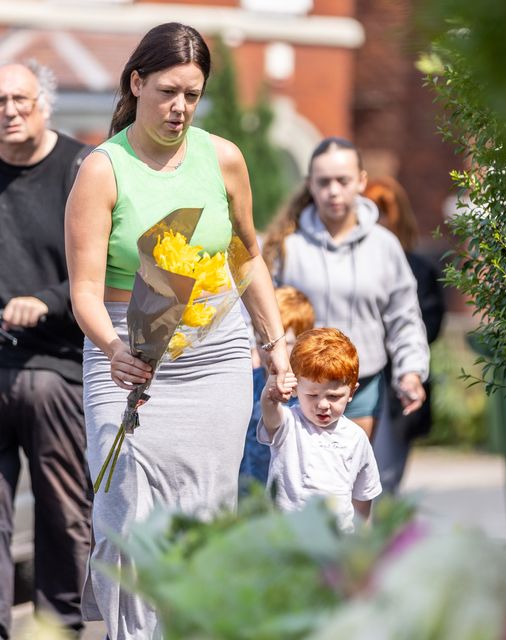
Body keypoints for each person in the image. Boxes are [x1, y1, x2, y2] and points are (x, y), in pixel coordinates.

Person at [64, 23, 293, 639]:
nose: (180, 108)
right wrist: (113, 349)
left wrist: (274, 346)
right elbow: (82, 289)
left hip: (213, 353)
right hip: (125, 347)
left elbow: (246, 255)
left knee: (204, 512)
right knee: (127, 516)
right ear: (136, 83)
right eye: (168, 91)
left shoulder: (223, 158)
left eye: (192, 95)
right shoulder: (101, 170)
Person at [0, 60, 92, 639]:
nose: (8, 110)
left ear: (45, 104)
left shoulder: (81, 169)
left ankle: (62, 627)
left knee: (64, 515)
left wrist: (48, 300)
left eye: (20, 99)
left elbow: (104, 266)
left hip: (57, 366)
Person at [261, 137, 429, 439]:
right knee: (302, 479)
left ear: (362, 181)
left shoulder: (384, 246)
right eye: (324, 182)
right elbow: (260, 310)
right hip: (301, 386)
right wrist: (266, 352)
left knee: (349, 478)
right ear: (310, 184)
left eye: (343, 180)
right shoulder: (287, 246)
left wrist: (411, 372)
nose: (333, 191)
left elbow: (404, 316)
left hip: (360, 384)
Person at [364, 177, 445, 493]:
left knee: (385, 479)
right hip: (350, 376)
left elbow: (430, 326)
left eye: (384, 211)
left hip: (395, 383)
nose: (378, 220)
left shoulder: (418, 268)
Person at [258, 328, 381, 532]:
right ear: (296, 388)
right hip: (287, 536)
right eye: (313, 395)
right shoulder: (289, 423)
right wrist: (272, 391)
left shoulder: (356, 437)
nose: (323, 404)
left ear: (351, 392)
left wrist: (363, 540)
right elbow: (270, 413)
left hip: (337, 539)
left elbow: (364, 495)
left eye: (333, 396)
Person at [239, 285, 314, 490]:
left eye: (286, 343)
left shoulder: (311, 394)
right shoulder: (248, 383)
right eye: (263, 341)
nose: (271, 352)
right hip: (250, 492)